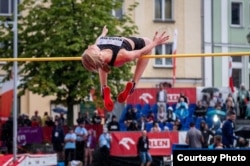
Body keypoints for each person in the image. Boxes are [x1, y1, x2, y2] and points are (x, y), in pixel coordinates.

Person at [81, 26, 170, 111]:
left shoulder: (98, 47)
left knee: (101, 62)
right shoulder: (123, 54)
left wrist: (103, 33)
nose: (89, 46)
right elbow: (140, 52)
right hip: (119, 53)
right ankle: (134, 83)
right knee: (148, 44)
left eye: (90, 47)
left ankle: (104, 87)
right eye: (90, 48)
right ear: (96, 52)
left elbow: (98, 41)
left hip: (110, 54)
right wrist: (155, 43)